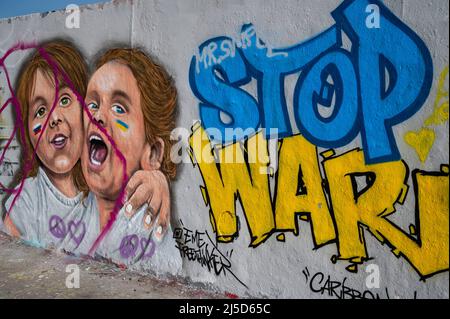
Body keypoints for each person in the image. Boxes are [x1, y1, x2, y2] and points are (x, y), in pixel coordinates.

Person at [3, 41, 169, 254]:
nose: (53, 118)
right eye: (40, 111)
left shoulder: (102, 190)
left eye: (64, 100)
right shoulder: (30, 198)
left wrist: (156, 178)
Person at [76, 47, 181, 273]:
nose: (98, 116)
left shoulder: (150, 239)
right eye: (92, 104)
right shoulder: (73, 211)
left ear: (152, 153)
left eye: (118, 107)